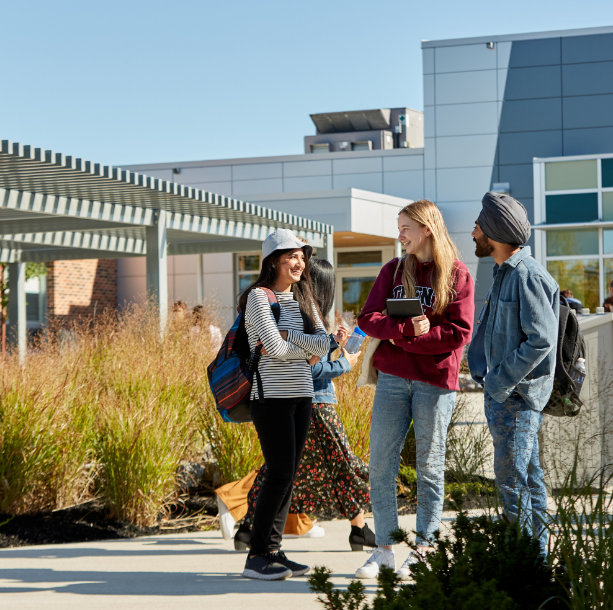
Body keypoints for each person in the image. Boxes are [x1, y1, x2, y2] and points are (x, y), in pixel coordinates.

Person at [354, 199, 475, 581]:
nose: (400, 234)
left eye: (406, 227)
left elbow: (460, 332)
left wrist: (412, 343)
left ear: (427, 229)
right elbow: (368, 318)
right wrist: (406, 332)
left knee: (429, 466)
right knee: (381, 464)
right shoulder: (392, 270)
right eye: (399, 226)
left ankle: (424, 549)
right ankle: (385, 550)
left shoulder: (456, 274)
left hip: (436, 383)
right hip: (392, 379)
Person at [224, 257, 376, 552]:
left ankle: (253, 531)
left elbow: (309, 355)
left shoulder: (305, 312)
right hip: (313, 402)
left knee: (291, 469)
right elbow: (305, 366)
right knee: (337, 464)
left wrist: (333, 346)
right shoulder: (289, 307)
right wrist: (344, 363)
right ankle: (251, 528)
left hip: (310, 401)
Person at [468, 191, 559, 557]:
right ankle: (537, 563)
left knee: (512, 483)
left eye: (478, 224)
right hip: (507, 396)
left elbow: (542, 341)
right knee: (529, 481)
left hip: (517, 399)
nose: (473, 230)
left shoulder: (527, 275)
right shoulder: (505, 272)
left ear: (495, 230)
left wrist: (498, 381)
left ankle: (524, 566)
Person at [239, 228, 329, 581]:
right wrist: (301, 347)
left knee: (287, 475)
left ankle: (273, 550)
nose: (299, 262)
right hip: (270, 397)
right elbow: (272, 350)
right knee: (278, 473)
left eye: (302, 256)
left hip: (302, 396)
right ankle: (257, 555)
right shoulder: (258, 298)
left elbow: (323, 346)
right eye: (291, 255)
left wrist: (293, 339)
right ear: (273, 260)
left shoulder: (304, 297)